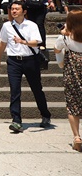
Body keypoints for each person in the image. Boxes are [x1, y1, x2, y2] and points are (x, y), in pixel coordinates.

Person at [0, 0, 51, 133]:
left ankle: (45, 115)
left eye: (17, 9)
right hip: (13, 61)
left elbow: (37, 42)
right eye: (12, 9)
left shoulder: (31, 25)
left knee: (37, 89)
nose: (14, 11)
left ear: (24, 11)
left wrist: (22, 42)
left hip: (30, 60)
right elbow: (2, 43)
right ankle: (16, 120)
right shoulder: (7, 26)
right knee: (15, 91)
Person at [53, 9, 82, 152]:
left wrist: (64, 32)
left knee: (72, 106)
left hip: (72, 76)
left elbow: (56, 50)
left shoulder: (65, 39)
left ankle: (77, 137)